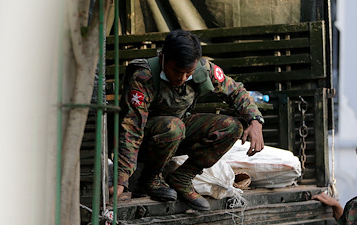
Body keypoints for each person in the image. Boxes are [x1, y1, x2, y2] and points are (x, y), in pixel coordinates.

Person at [112, 29, 265, 210]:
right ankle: (151, 179)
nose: (183, 78)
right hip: (147, 142)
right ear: (163, 59)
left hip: (177, 135)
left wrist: (255, 120)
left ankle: (182, 177)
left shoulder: (203, 69)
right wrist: (121, 179)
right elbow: (131, 129)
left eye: (188, 73)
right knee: (173, 126)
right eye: (177, 71)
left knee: (232, 127)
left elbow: (236, 91)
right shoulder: (143, 77)